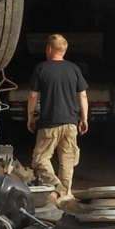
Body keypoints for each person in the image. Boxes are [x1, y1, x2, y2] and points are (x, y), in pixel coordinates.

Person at [25, 33, 89, 200]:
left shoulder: (41, 68)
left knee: (40, 159)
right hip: (70, 124)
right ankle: (65, 196)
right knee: (67, 161)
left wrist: (30, 117)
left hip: (49, 124)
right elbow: (82, 96)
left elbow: (33, 96)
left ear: (49, 49)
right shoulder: (74, 69)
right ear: (64, 51)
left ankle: (57, 187)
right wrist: (84, 118)